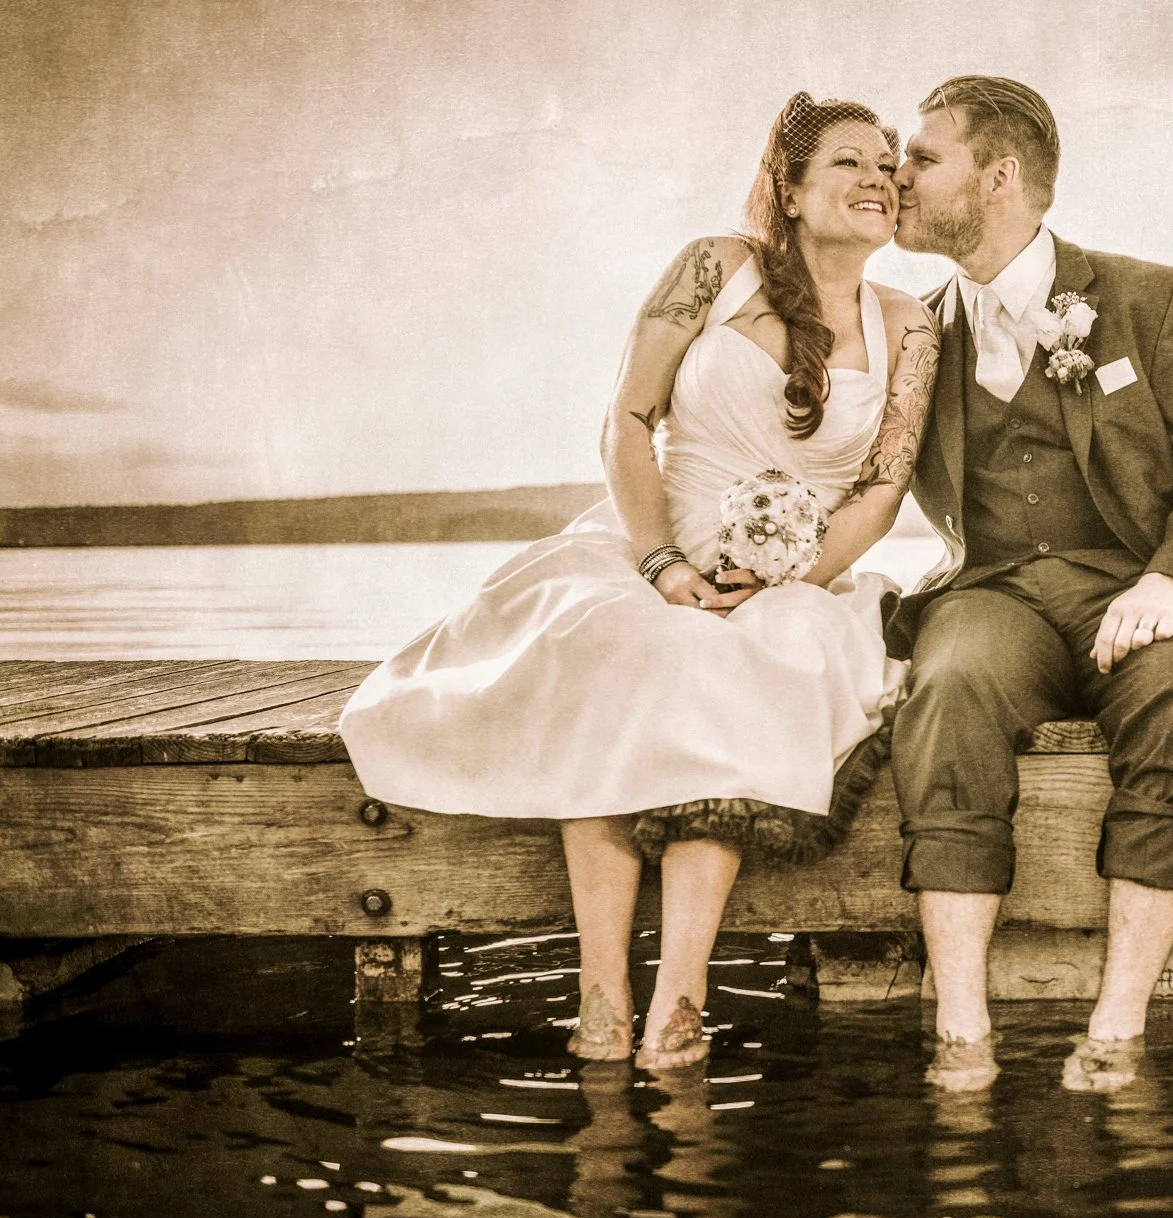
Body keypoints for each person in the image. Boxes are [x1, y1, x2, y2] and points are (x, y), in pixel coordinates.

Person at [339, 93, 939, 1071]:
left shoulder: (909, 325)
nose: (878, 178)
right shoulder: (714, 265)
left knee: (747, 663)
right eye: (846, 162)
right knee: (614, 645)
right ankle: (601, 995)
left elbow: (878, 492)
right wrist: (660, 562)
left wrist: (788, 574)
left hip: (792, 577)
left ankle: (679, 1001)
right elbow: (626, 420)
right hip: (647, 543)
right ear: (787, 188)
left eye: (886, 163)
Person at [887, 75, 1173, 1094]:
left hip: (1143, 589)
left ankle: (1117, 1026)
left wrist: (1172, 579)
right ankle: (961, 1028)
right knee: (942, 691)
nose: (894, 177)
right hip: (993, 595)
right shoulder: (906, 328)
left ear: (997, 177)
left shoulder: (1153, 297)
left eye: (920, 158)